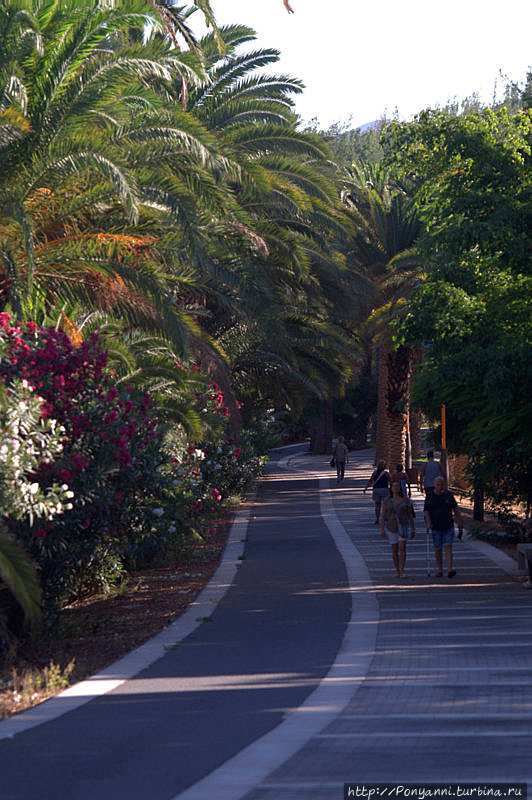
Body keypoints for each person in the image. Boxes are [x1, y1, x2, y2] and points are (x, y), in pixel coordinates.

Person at [424, 475, 464, 578]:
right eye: (438, 484)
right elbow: (426, 511)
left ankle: (450, 569)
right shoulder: (430, 496)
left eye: (441, 484)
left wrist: (460, 521)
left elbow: (455, 509)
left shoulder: (448, 495)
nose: (440, 486)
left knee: (448, 546)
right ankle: (440, 570)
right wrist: (428, 522)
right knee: (438, 549)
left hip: (448, 525)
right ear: (434, 485)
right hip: (435, 526)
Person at [381, 481, 415, 577]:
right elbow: (383, 515)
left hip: (403, 526)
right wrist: (382, 528)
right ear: (391, 488)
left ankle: (402, 569)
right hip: (391, 526)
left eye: (397, 486)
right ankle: (397, 570)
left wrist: (413, 528)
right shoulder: (387, 501)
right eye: (393, 486)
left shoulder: (406, 500)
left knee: (402, 547)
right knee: (394, 549)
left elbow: (410, 515)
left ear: (400, 488)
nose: (395, 488)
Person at [364, 460, 390, 524]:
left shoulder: (375, 473)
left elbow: (370, 481)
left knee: (377, 505)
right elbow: (391, 480)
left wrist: (366, 488)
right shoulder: (386, 473)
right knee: (385, 504)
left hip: (376, 490)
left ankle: (377, 519)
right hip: (384, 489)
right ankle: (385, 517)